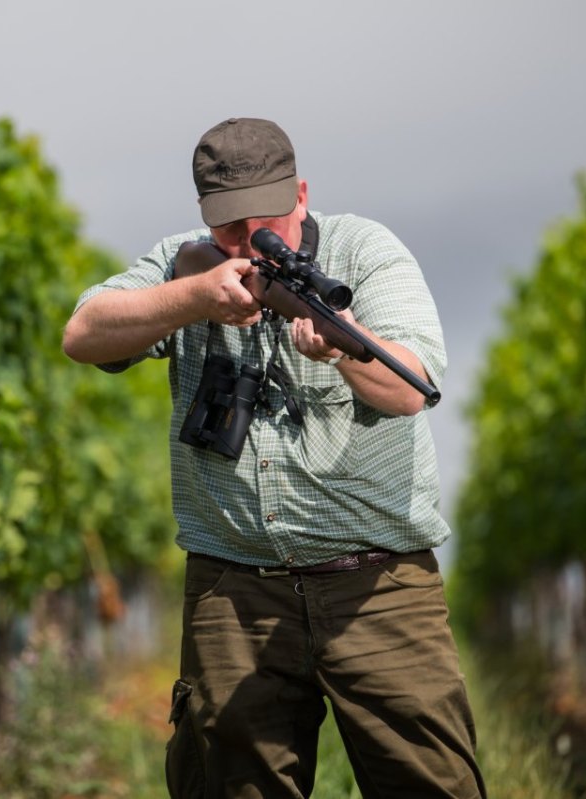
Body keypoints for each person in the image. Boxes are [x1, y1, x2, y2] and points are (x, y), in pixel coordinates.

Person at [63, 117, 485, 799]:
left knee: (430, 781)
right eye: (229, 229)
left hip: (375, 587)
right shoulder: (186, 261)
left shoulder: (367, 250)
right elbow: (83, 332)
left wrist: (343, 349)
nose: (247, 243)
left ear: (303, 195)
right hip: (233, 593)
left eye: (266, 224)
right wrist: (194, 296)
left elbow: (412, 388)